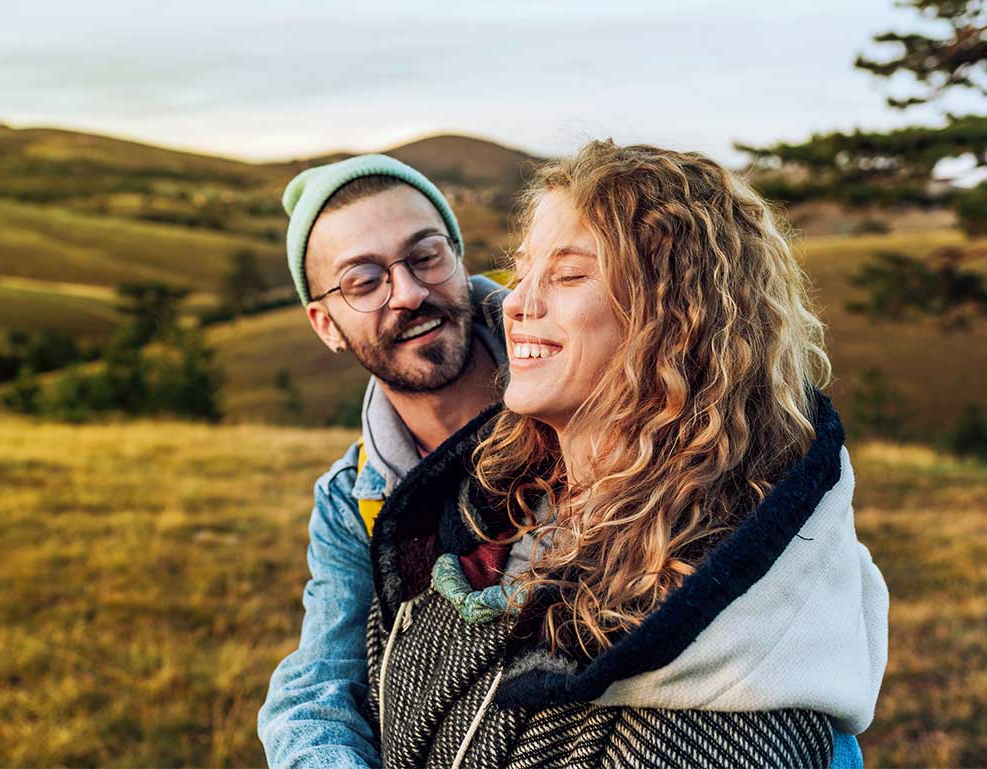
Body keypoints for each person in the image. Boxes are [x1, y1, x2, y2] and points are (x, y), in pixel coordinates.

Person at [363, 140, 888, 768]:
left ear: (674, 318)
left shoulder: (733, 676)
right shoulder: (478, 507)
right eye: (523, 269)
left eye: (568, 274)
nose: (516, 302)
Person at [256, 154, 509, 768]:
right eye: (363, 282)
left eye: (425, 256)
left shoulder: (593, 396)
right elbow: (314, 692)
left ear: (458, 254)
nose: (410, 293)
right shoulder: (352, 501)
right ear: (326, 325)